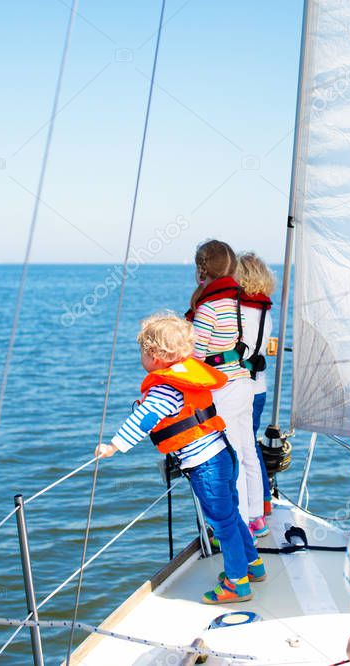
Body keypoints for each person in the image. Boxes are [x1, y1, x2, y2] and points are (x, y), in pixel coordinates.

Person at [95, 313, 265, 604]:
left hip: (205, 466)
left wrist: (113, 446)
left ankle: (237, 584)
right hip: (223, 454)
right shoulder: (188, 374)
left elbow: (143, 420)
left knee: (222, 523)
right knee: (231, 515)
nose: (142, 359)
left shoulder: (164, 387)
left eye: (143, 353)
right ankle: (252, 565)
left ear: (156, 356)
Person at [184, 241, 267, 538]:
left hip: (224, 391)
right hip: (245, 383)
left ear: (200, 272)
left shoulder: (208, 307)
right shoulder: (237, 302)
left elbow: (196, 356)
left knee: (229, 458)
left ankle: (239, 527)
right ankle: (255, 515)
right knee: (247, 452)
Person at [235, 251, 276, 517]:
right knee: (252, 444)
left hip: (239, 388)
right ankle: (263, 502)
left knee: (243, 448)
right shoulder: (264, 312)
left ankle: (252, 505)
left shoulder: (236, 310)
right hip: (259, 387)